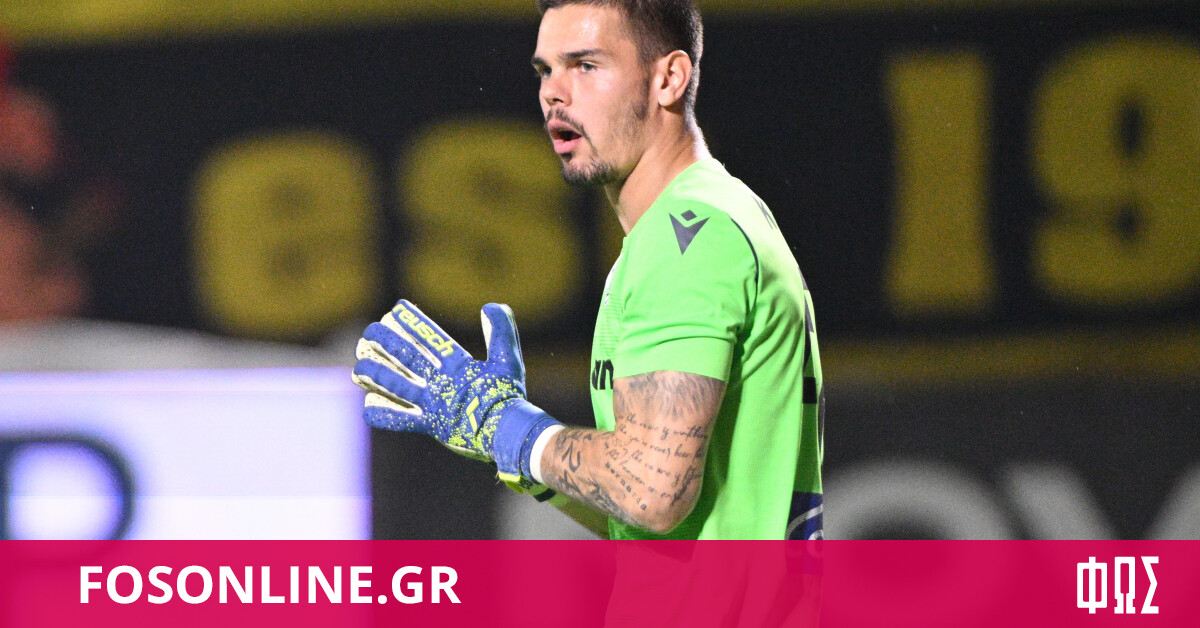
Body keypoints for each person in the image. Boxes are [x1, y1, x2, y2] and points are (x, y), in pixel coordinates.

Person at [353, 0, 822, 542]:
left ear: (669, 78)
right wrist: (511, 446)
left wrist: (513, 431)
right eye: (545, 70)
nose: (554, 92)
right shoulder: (705, 220)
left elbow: (652, 490)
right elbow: (640, 515)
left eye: (585, 65)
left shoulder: (687, 237)